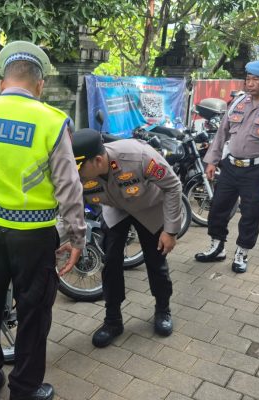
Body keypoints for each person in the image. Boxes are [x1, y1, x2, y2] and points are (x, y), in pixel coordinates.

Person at [0, 40, 85, 400]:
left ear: (1, 83)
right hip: (34, 237)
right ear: (39, 85)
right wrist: (76, 237)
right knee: (33, 313)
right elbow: (69, 186)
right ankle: (24, 389)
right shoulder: (51, 121)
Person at [70, 129, 182, 347]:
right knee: (111, 262)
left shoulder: (138, 157)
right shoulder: (79, 173)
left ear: (98, 160)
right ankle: (112, 320)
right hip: (115, 209)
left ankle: (163, 309)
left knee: (156, 261)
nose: (77, 175)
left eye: (80, 169)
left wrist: (170, 231)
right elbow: (73, 204)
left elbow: (173, 186)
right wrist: (76, 240)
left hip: (148, 207)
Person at [195, 60, 259, 273]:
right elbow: (222, 132)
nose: (249, 83)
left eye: (255, 80)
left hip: (258, 171)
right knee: (218, 208)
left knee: (251, 214)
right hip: (230, 167)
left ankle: (242, 252)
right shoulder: (238, 101)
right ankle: (217, 247)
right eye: (248, 79)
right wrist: (212, 160)